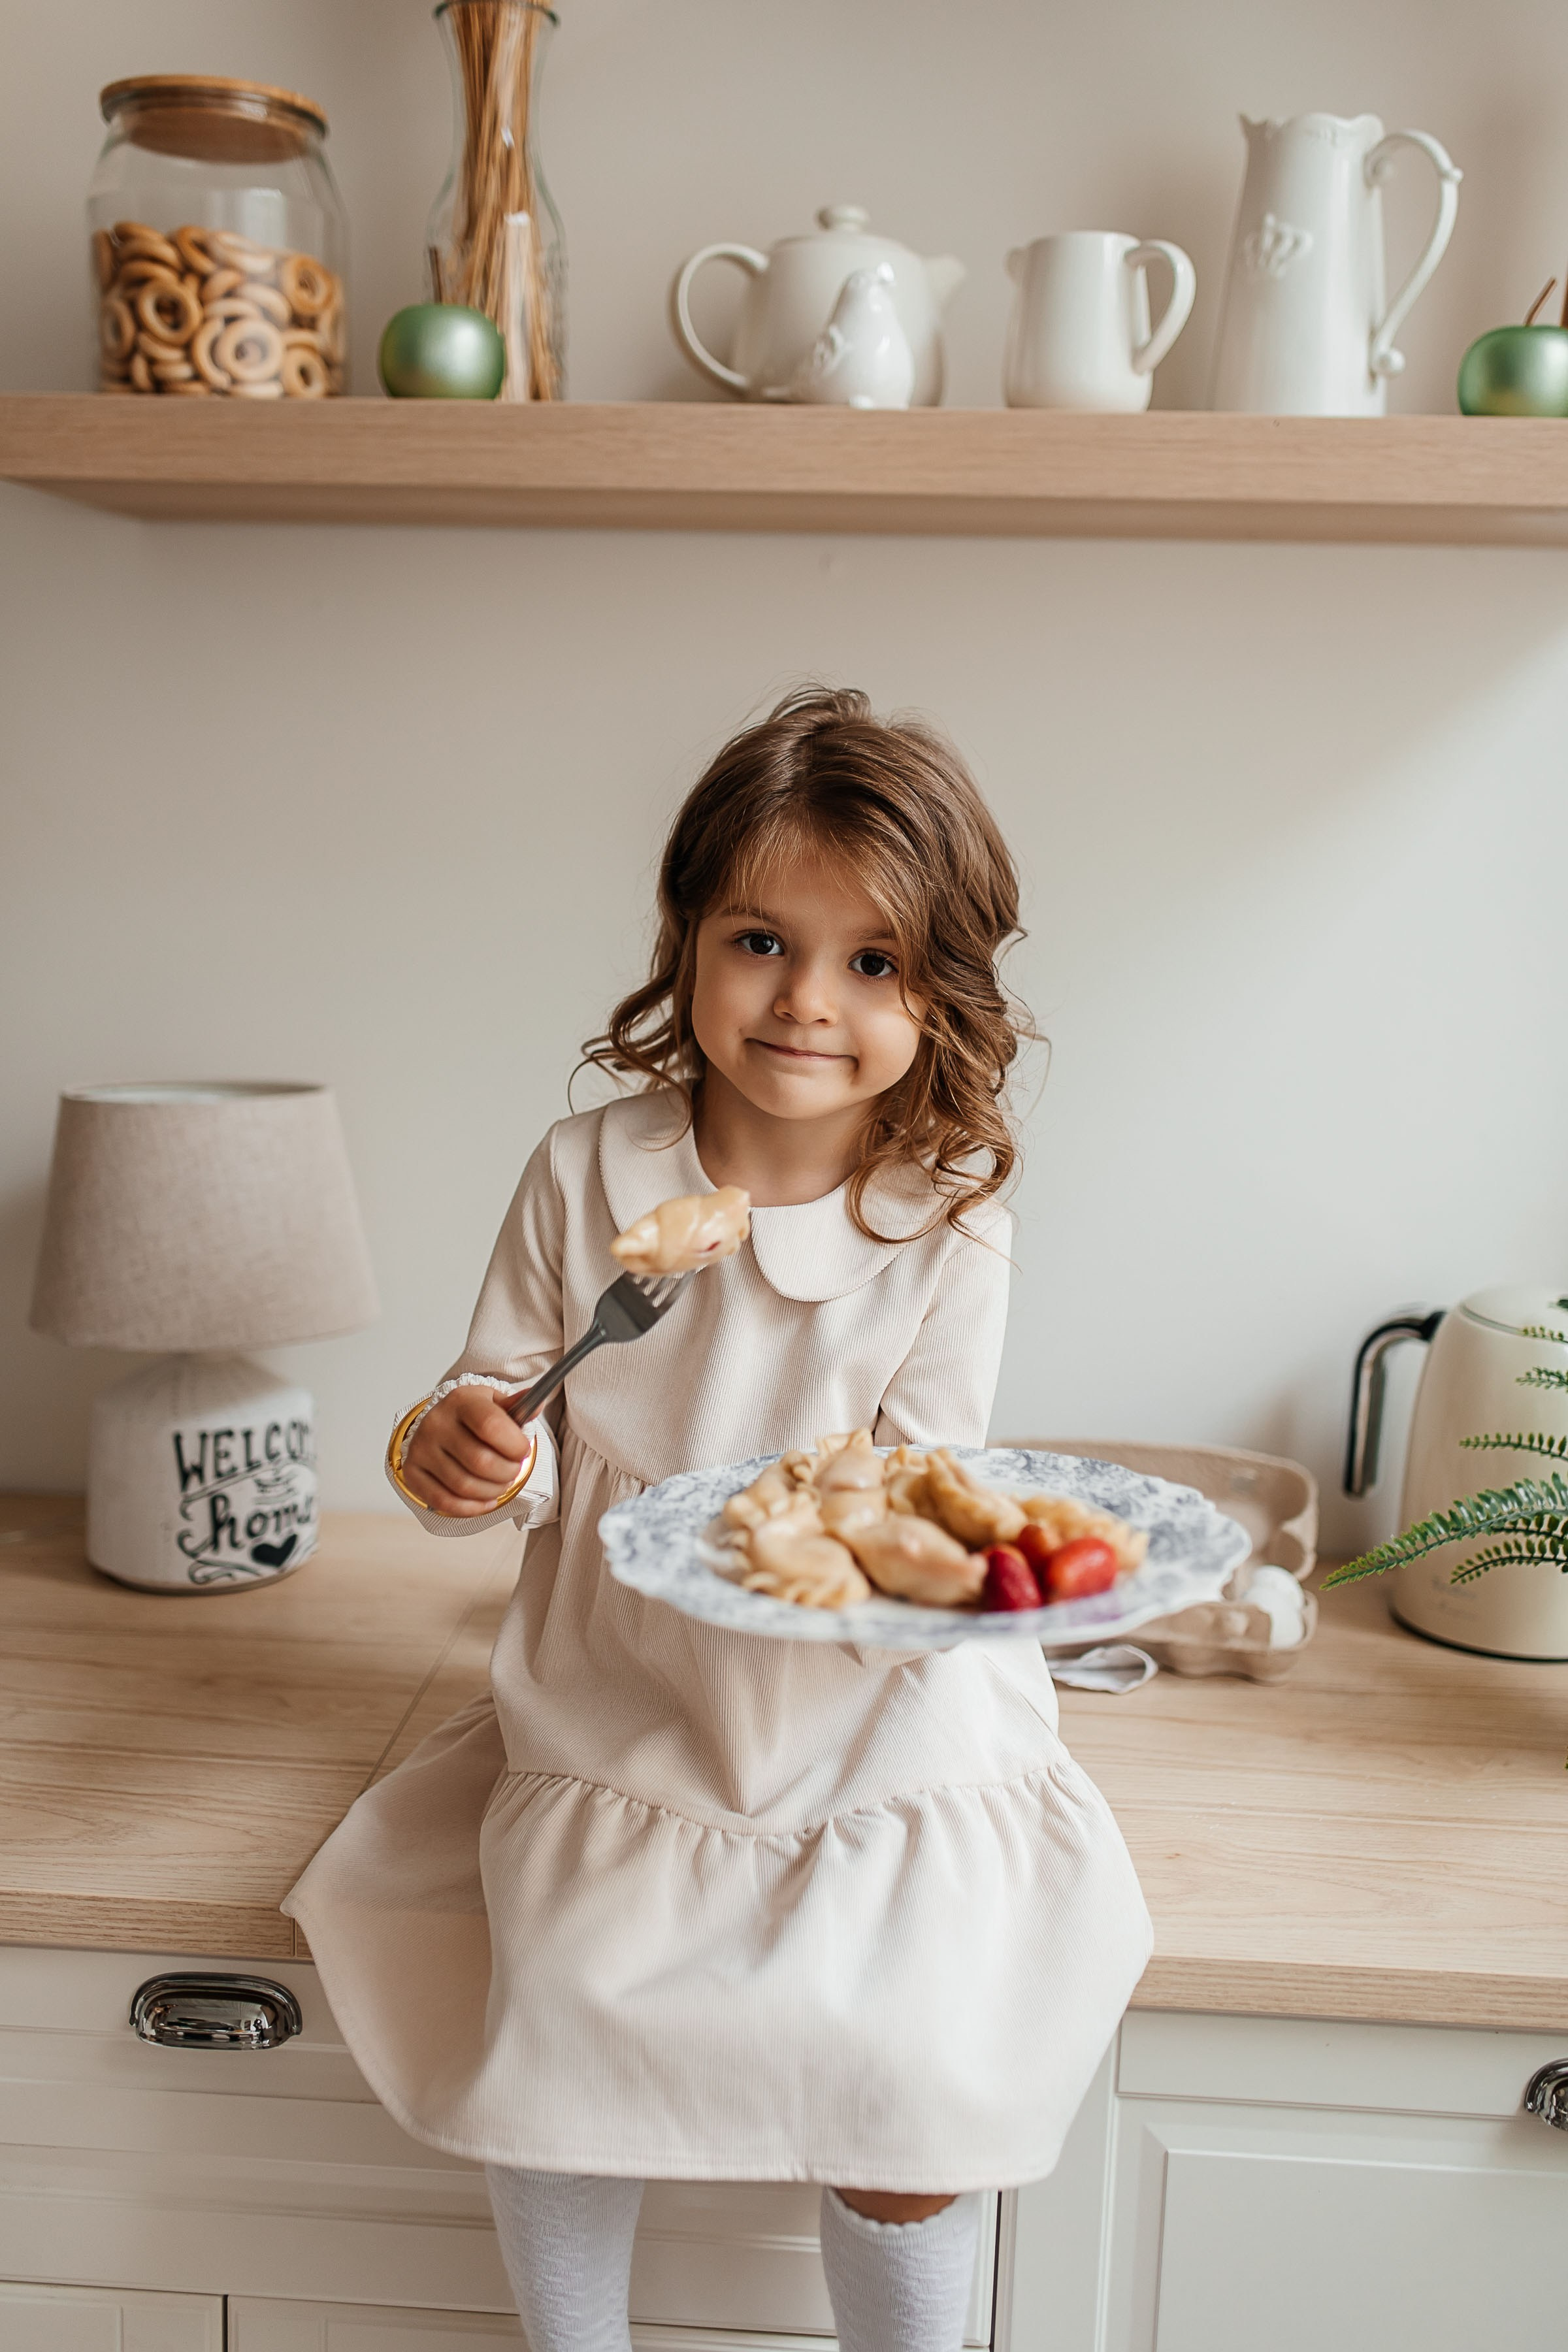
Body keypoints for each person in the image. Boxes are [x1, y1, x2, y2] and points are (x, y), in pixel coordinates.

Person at [285, 686, 1151, 2352]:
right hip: (627, 1692)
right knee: (558, 2052)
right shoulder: (583, 1173)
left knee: (914, 2086)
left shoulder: (948, 1223)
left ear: (941, 991)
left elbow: (923, 1486)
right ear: (684, 937)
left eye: (873, 962)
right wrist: (464, 1451)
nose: (808, 1000)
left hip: (867, 1716)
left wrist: (922, 1568)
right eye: (763, 941)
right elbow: (499, 1414)